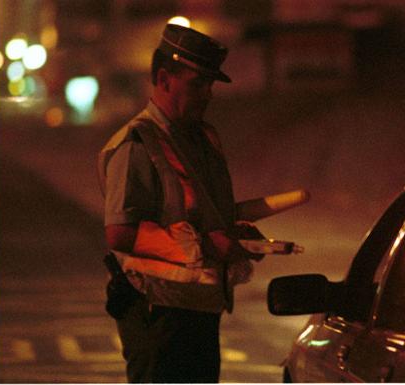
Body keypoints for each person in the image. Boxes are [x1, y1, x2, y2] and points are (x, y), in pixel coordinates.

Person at [98, 24, 265, 383]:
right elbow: (120, 232)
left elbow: (201, 214)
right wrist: (206, 246)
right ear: (164, 79)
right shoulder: (137, 145)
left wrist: (237, 236)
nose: (207, 94)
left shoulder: (201, 139)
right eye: (197, 84)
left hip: (199, 307)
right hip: (158, 313)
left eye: (210, 85)